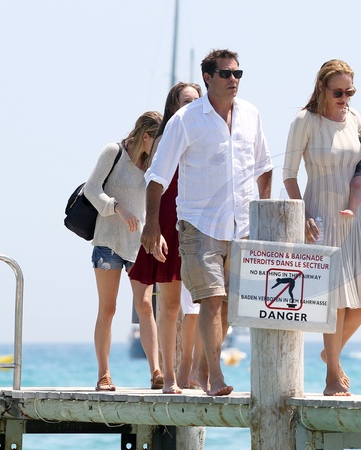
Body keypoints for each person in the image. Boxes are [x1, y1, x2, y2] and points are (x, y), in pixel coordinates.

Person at [141, 49, 273, 396]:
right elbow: (157, 175)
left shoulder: (251, 114)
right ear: (208, 77)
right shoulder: (185, 119)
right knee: (211, 300)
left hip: (241, 226)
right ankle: (215, 376)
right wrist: (152, 224)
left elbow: (264, 166)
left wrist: (263, 214)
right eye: (226, 73)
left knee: (228, 305)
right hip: (199, 225)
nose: (233, 80)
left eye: (237, 74)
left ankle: (202, 368)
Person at [283, 59, 361, 396]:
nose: (344, 98)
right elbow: (289, 174)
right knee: (336, 300)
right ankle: (331, 377)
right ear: (322, 88)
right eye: (338, 92)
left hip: (354, 214)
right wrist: (302, 215)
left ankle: (332, 353)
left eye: (349, 92)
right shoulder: (305, 121)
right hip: (320, 212)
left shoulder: (354, 119)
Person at [128, 82, 203, 394]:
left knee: (201, 304)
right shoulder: (164, 137)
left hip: (197, 221)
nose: (192, 106)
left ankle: (192, 371)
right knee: (170, 305)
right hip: (168, 221)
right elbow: (154, 181)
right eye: (186, 101)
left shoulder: (206, 132)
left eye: (196, 101)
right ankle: (169, 376)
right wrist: (153, 226)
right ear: (173, 105)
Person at [84, 111, 163, 391]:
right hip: (108, 241)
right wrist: (117, 207)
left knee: (146, 306)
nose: (162, 147)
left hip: (140, 244)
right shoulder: (114, 152)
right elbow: (91, 189)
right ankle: (103, 375)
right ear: (146, 136)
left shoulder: (154, 164)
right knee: (108, 308)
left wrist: (158, 234)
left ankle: (156, 372)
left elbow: (155, 204)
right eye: (159, 140)